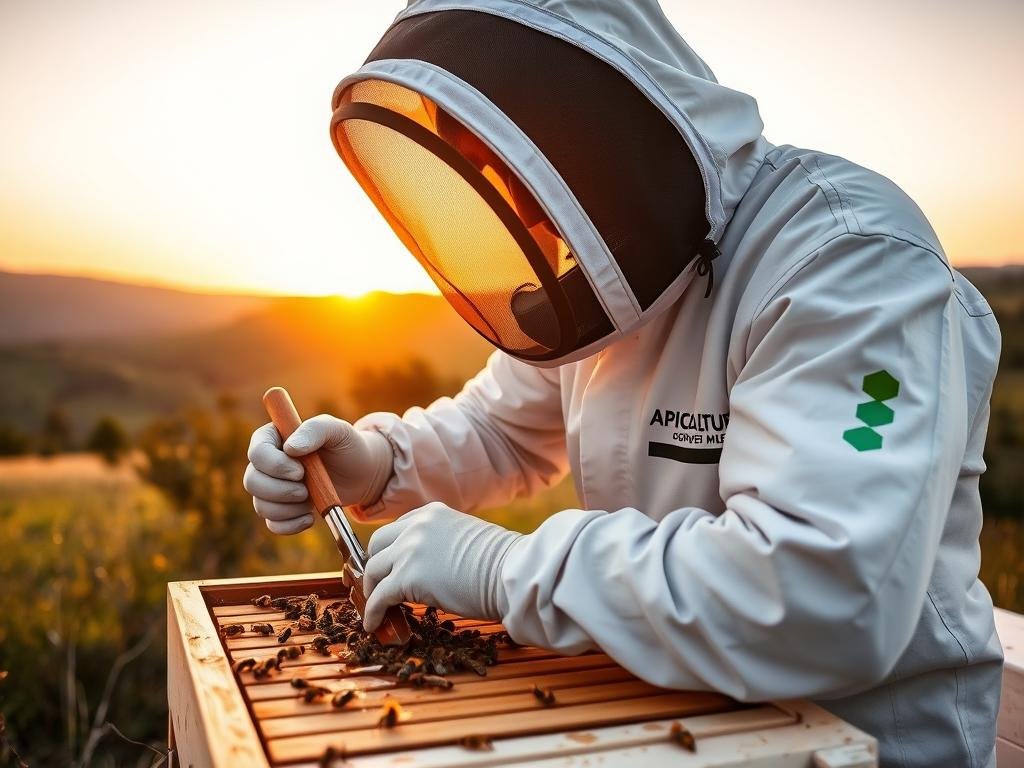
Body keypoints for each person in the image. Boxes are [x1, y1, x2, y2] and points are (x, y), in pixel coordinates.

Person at [242, 2, 1003, 764]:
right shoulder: (605, 283)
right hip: (675, 728)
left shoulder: (850, 261)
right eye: (481, 167)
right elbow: (501, 429)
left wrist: (502, 568)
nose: (513, 206)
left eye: (511, 160)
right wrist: (378, 461)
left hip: (869, 746)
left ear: (587, 120)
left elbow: (820, 597)